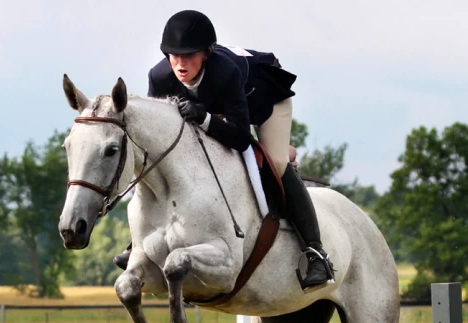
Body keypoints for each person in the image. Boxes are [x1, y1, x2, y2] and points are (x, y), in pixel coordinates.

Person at [113, 10, 333, 289]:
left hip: (264, 101)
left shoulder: (224, 71)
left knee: (275, 162)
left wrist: (204, 118)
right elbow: (160, 141)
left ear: (206, 53)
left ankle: (316, 253)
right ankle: (139, 241)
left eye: (189, 55)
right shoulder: (159, 77)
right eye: (174, 55)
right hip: (219, 108)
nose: (180, 64)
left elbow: (241, 138)